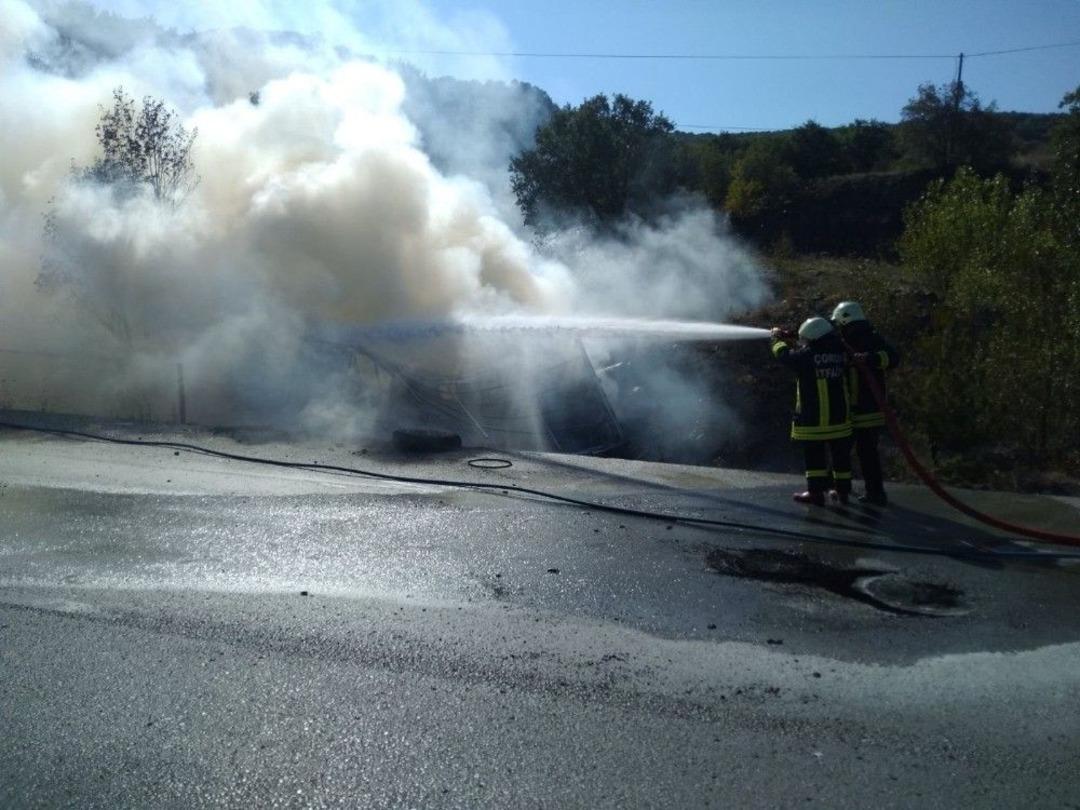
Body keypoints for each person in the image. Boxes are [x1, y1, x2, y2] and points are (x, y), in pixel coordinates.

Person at [770, 317, 853, 506]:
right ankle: (842, 492)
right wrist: (795, 335)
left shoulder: (806, 357)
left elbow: (784, 356)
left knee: (814, 458)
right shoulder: (840, 352)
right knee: (841, 459)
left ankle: (815, 494)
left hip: (813, 419)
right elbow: (811, 348)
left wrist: (776, 339)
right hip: (839, 418)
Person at [831, 301, 900, 506]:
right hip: (854, 407)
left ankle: (872, 493)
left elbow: (893, 358)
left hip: (866, 408)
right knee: (854, 451)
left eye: (839, 323)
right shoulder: (843, 339)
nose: (838, 327)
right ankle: (848, 490)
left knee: (859, 452)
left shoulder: (870, 337)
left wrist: (870, 358)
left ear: (845, 319)